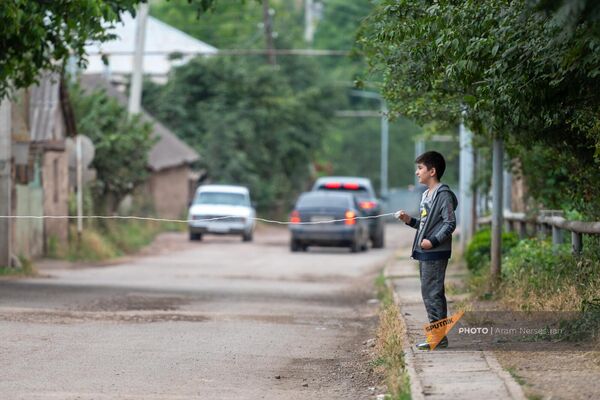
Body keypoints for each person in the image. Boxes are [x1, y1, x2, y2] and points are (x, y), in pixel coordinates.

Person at [395, 151, 458, 350]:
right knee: (429, 293)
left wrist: (432, 241)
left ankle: (438, 338)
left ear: (432, 171)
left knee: (433, 293)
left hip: (435, 252)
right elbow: (425, 224)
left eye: (420, 168)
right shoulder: (426, 195)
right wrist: (409, 221)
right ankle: (437, 336)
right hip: (425, 252)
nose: (417, 172)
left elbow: (450, 223)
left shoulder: (444, 195)